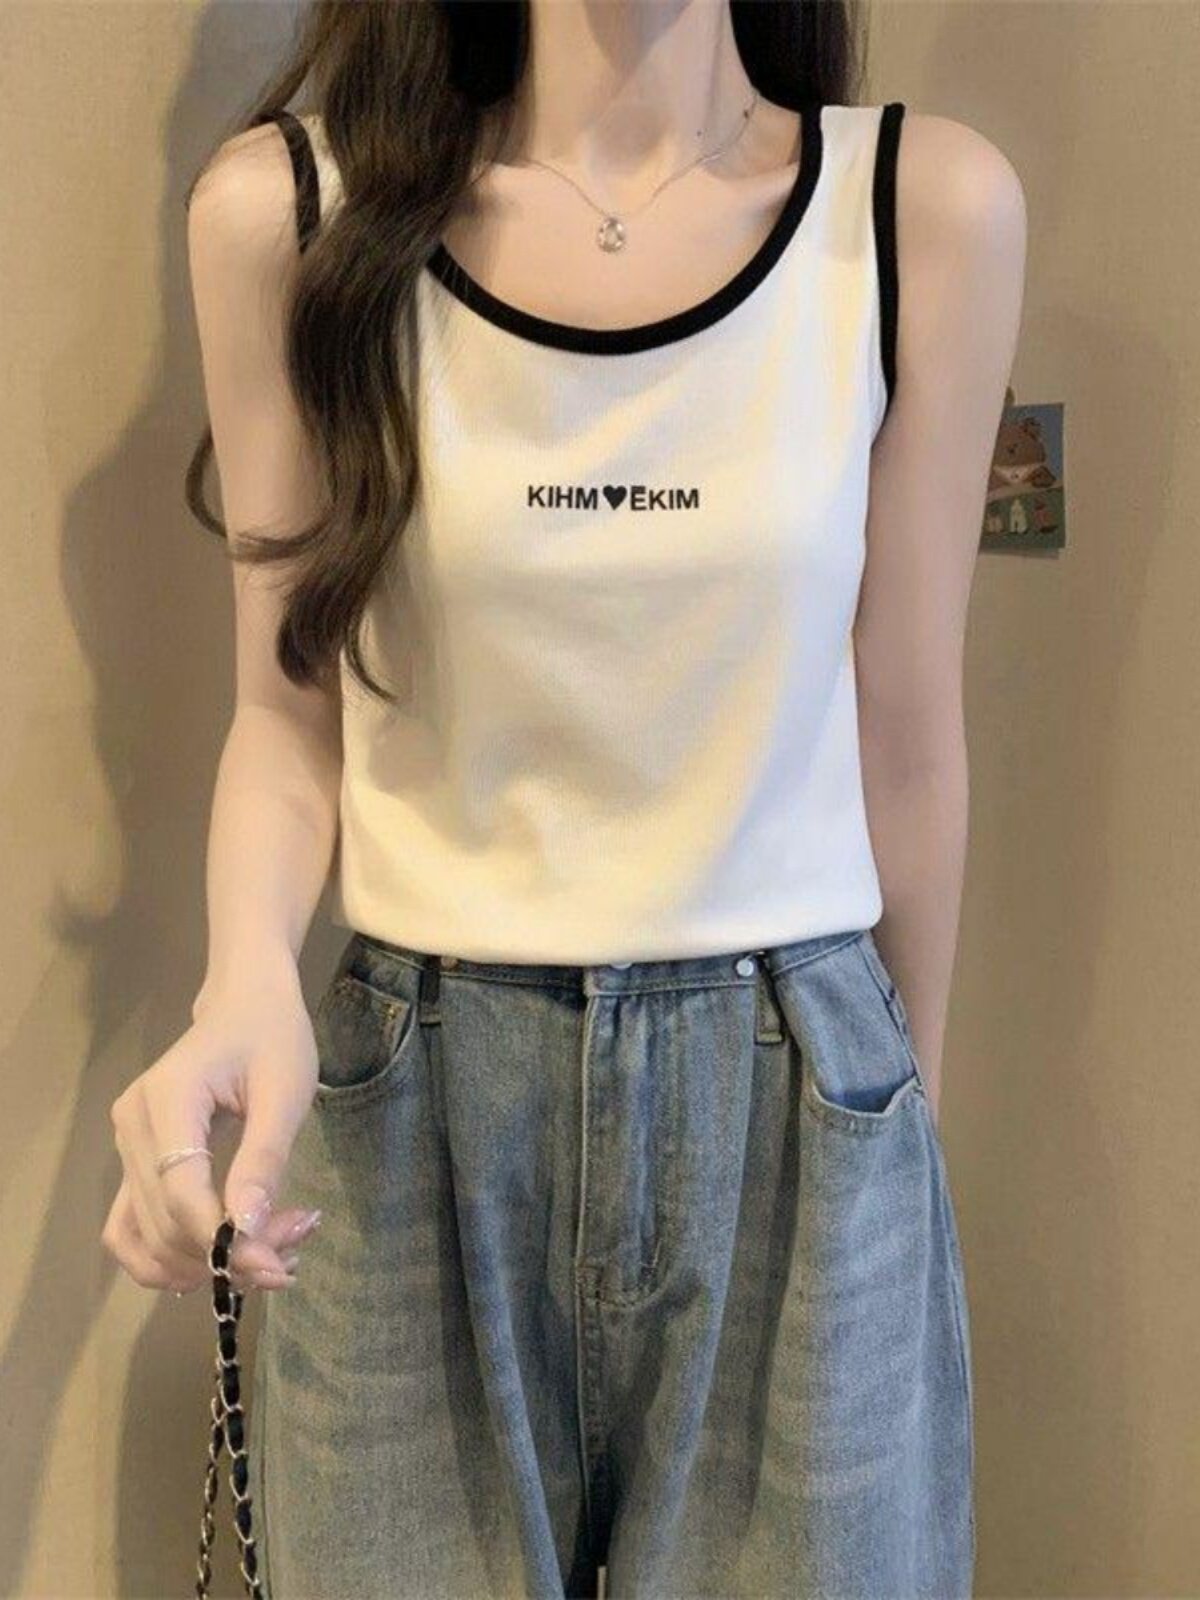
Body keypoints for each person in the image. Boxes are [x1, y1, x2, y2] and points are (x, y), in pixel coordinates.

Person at [103, 0, 1026, 1593]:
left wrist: (899, 1153)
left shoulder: (918, 211)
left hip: (803, 1095)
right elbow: (285, 709)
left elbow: (908, 735)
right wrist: (243, 977)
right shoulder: (290, 218)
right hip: (410, 1107)